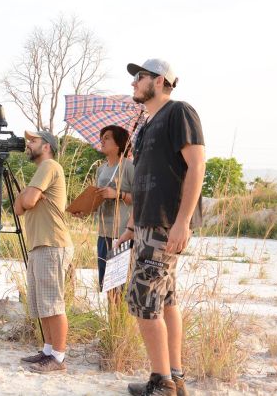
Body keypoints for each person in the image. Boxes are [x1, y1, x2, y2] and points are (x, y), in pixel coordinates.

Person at [114, 59, 205, 396]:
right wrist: (133, 225)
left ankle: (161, 382)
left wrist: (182, 222)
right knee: (165, 301)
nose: (134, 83)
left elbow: (196, 167)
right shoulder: (146, 124)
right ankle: (174, 377)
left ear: (160, 80)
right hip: (147, 225)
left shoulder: (179, 111)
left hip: (166, 224)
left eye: (139, 77)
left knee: (142, 302)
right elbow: (144, 181)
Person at [14, 130, 74, 374]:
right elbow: (20, 208)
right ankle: (48, 350)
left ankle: (58, 357)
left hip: (52, 243)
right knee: (42, 304)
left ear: (47, 146)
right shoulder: (43, 168)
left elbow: (25, 202)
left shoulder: (49, 165)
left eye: (34, 140)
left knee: (53, 303)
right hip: (41, 244)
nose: (28, 144)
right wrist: (27, 196)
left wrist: (27, 195)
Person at [93, 125, 134, 292]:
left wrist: (118, 194)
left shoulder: (130, 167)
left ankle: (122, 319)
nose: (102, 141)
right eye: (101, 138)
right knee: (107, 285)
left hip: (122, 234)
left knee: (120, 288)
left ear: (118, 144)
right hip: (103, 233)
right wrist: (84, 209)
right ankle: (113, 319)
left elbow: (143, 198)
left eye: (107, 138)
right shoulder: (101, 169)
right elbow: (97, 198)